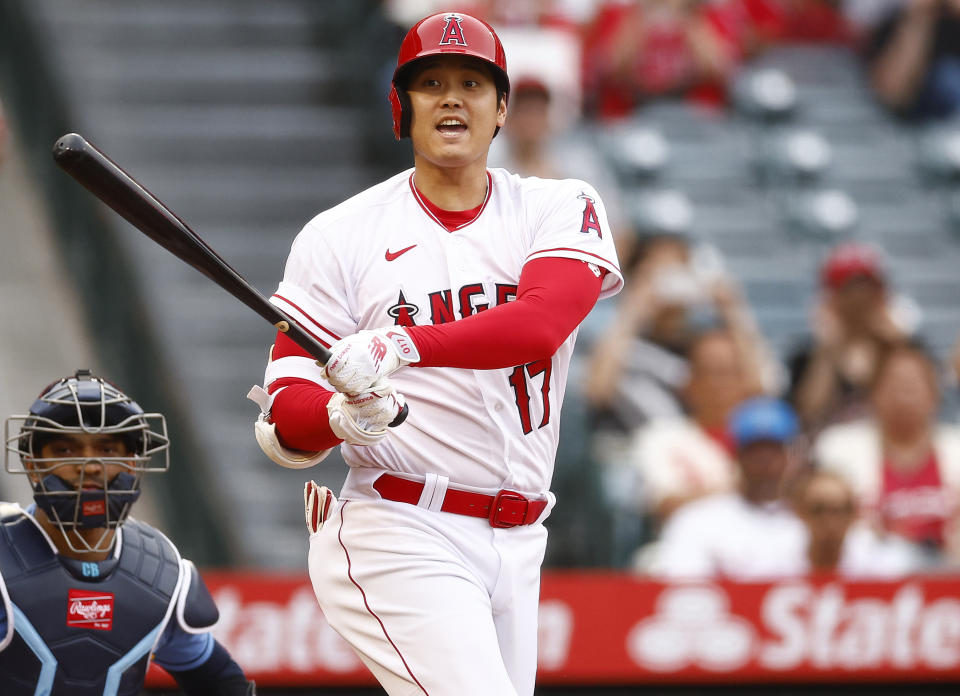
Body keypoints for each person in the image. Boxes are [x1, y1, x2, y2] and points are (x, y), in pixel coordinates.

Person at [247, 11, 622, 696]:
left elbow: (539, 324)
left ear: (502, 107)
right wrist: (342, 415)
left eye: (473, 82)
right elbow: (284, 414)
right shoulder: (340, 236)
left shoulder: (558, 204)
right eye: (431, 83)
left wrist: (398, 344)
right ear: (401, 105)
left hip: (521, 533)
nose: (453, 97)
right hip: (401, 525)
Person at [1, 370, 254, 695]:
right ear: (33, 463)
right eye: (66, 450)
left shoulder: (160, 572)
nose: (90, 466)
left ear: (133, 463)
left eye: (108, 450)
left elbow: (221, 680)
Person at [813, 342, 960, 561]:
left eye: (912, 385)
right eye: (894, 384)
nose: (903, 394)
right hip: (867, 574)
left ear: (933, 394)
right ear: (874, 393)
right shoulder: (838, 447)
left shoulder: (956, 447)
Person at [639, 397, 807, 580]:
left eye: (774, 449)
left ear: (790, 455)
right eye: (754, 450)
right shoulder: (696, 520)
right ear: (737, 454)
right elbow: (686, 589)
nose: (765, 460)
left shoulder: (817, 515)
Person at [787, 242, 912, 430]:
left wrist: (896, 347)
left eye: (868, 289)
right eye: (850, 290)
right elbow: (807, 412)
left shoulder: (903, 349)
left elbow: (915, 402)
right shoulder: (805, 356)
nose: (860, 300)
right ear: (832, 298)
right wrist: (828, 348)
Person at [793, 469, 927, 577]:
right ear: (801, 512)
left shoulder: (879, 562)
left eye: (839, 510)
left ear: (853, 515)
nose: (829, 520)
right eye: (818, 509)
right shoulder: (779, 559)